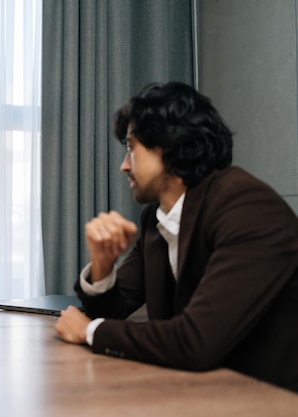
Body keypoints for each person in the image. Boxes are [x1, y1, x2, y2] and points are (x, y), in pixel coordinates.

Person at [54, 82, 298, 392]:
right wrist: (103, 265)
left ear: (170, 145)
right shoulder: (156, 219)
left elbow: (196, 340)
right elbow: (115, 311)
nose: (123, 165)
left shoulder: (247, 207)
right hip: (202, 389)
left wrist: (91, 332)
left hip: (273, 397)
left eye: (131, 147)